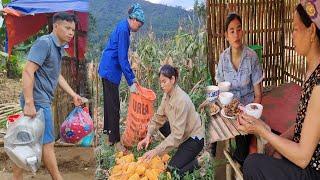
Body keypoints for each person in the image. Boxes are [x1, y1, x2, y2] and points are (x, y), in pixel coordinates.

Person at [238, 1, 320, 179]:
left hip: (313, 167)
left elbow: (304, 157)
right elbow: (302, 123)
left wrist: (264, 132)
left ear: (312, 31)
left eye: (296, 29)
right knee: (264, 142)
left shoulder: (319, 85)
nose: (292, 35)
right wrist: (276, 141)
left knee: (253, 164)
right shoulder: (312, 71)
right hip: (304, 150)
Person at [14, 12, 84, 180]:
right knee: (48, 144)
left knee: (29, 141)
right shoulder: (44, 43)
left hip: (40, 100)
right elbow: (28, 71)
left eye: (73, 30)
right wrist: (29, 102)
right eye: (67, 28)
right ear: (56, 26)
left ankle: (15, 178)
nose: (70, 33)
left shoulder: (58, 48)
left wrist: (73, 94)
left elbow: (57, 75)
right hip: (38, 100)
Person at [211, 12, 263, 164]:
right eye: (232, 31)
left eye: (239, 29)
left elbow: (258, 95)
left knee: (242, 145)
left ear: (243, 31)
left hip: (245, 108)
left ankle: (239, 160)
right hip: (228, 107)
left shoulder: (251, 57)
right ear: (226, 35)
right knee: (212, 127)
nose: (236, 34)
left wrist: (250, 114)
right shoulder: (223, 58)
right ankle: (212, 155)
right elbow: (220, 88)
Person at [137, 64, 205, 176]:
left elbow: (177, 136)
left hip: (193, 138)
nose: (161, 85)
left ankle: (199, 161)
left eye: (164, 81)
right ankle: (181, 149)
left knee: (171, 172)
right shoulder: (167, 95)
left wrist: (156, 151)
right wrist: (148, 135)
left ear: (172, 79)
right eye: (160, 82)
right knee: (161, 124)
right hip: (181, 132)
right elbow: (158, 118)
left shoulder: (182, 100)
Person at [98, 3, 144, 151]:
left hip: (106, 68)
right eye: (140, 24)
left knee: (109, 105)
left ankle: (109, 136)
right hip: (110, 69)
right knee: (114, 107)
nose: (140, 27)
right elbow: (122, 58)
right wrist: (131, 80)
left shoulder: (122, 26)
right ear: (134, 19)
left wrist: (132, 77)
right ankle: (116, 142)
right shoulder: (124, 30)